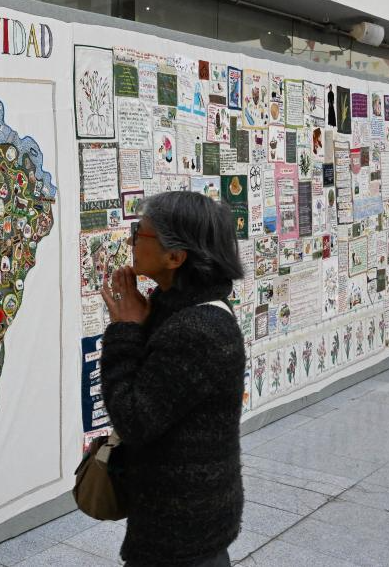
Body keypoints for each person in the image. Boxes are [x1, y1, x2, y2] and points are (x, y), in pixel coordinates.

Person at [100, 191, 246, 567]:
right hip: (186, 516)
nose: (131, 241)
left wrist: (125, 331)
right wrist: (142, 322)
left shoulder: (197, 329)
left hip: (181, 534)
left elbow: (133, 418)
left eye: (139, 233)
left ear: (175, 257)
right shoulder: (182, 310)